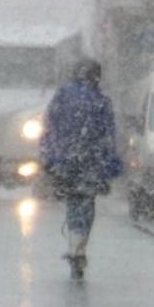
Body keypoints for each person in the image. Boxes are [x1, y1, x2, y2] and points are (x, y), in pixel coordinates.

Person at [38, 58, 123, 280]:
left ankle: (73, 242)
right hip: (91, 162)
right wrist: (110, 163)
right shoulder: (101, 101)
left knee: (72, 200)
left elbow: (49, 127)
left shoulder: (63, 96)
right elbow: (108, 135)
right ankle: (80, 246)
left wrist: (49, 157)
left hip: (66, 160)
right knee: (86, 201)